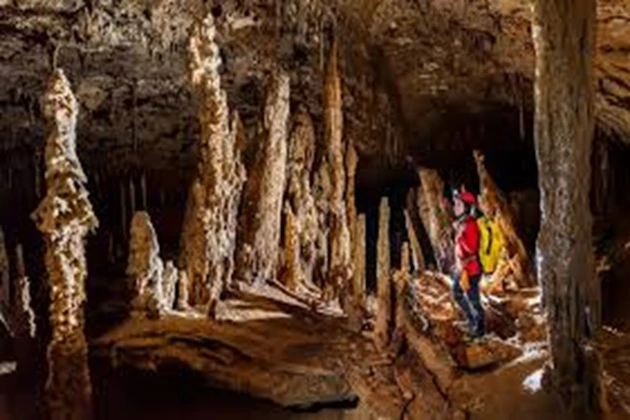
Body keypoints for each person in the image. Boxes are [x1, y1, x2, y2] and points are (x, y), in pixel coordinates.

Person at [451, 187, 485, 338]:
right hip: (462, 269)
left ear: (467, 208)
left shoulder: (471, 225)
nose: (455, 207)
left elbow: (472, 248)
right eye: (455, 204)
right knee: (457, 293)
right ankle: (471, 320)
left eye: (458, 205)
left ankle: (479, 331)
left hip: (472, 269)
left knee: (474, 301)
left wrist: (461, 234)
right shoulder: (462, 224)